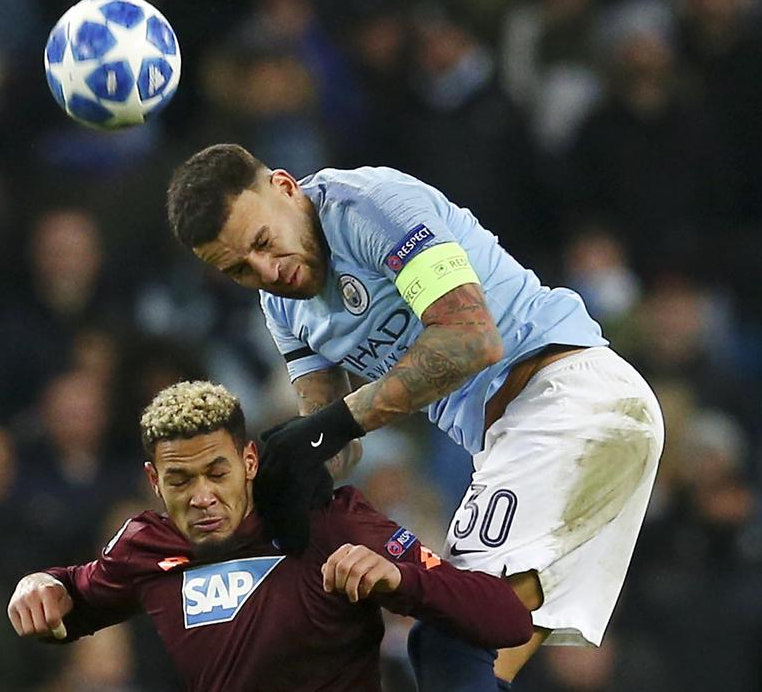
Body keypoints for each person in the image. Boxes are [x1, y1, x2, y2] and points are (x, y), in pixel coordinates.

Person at [165, 144, 665, 690]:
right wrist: (262, 500)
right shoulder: (282, 305)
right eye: (239, 268)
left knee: (450, 636)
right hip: (537, 432)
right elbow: (329, 440)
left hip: (564, 402)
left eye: (263, 242)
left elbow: (472, 338)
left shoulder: (371, 209)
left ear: (285, 188)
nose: (267, 270)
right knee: (479, 662)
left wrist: (328, 427)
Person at [7, 381, 531, 692]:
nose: (203, 497)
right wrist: (38, 583)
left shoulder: (330, 524)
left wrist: (401, 579)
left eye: (218, 473)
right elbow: (71, 599)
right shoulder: (146, 549)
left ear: (249, 461)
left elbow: (506, 618)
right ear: (154, 481)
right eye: (180, 481)